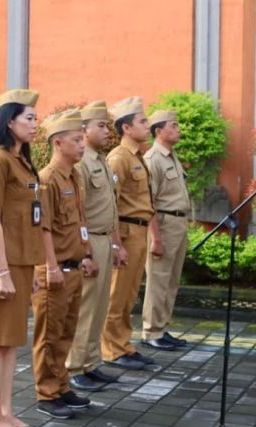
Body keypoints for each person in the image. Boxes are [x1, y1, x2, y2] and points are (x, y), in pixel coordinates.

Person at [0, 88, 44, 427]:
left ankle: (6, 411)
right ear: (10, 121)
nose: (36, 124)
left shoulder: (23, 161)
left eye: (35, 117)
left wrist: (30, 269)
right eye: (29, 118)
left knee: (11, 343)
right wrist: (1, 270)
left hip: (22, 262)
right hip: (3, 263)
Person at [33, 109, 99, 418]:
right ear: (58, 143)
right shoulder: (47, 180)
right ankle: (46, 393)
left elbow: (79, 223)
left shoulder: (74, 177)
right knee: (50, 335)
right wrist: (50, 267)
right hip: (56, 269)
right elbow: (43, 228)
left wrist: (86, 255)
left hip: (73, 266)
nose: (82, 145)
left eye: (82, 140)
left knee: (66, 332)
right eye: (76, 140)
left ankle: (61, 384)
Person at [66, 101, 122, 392]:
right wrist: (85, 249)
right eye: (100, 125)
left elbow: (108, 207)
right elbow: (79, 211)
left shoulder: (101, 160)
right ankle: (75, 366)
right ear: (84, 130)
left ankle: (91, 362)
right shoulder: (82, 163)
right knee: (86, 307)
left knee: (100, 306)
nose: (106, 130)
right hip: (89, 241)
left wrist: (115, 245)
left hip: (104, 239)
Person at [101, 96, 156, 370]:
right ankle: (111, 349)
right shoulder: (118, 159)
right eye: (143, 121)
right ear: (126, 128)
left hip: (140, 231)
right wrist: (115, 244)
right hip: (125, 230)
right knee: (117, 293)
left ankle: (124, 344)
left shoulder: (137, 157)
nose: (148, 126)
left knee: (129, 293)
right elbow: (110, 203)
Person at [141, 109, 190, 351]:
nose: (178, 129)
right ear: (159, 131)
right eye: (173, 125)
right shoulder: (153, 160)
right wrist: (155, 238)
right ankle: (151, 331)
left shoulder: (172, 157)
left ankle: (161, 327)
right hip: (164, 224)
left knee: (171, 281)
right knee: (158, 280)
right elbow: (149, 202)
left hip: (179, 224)